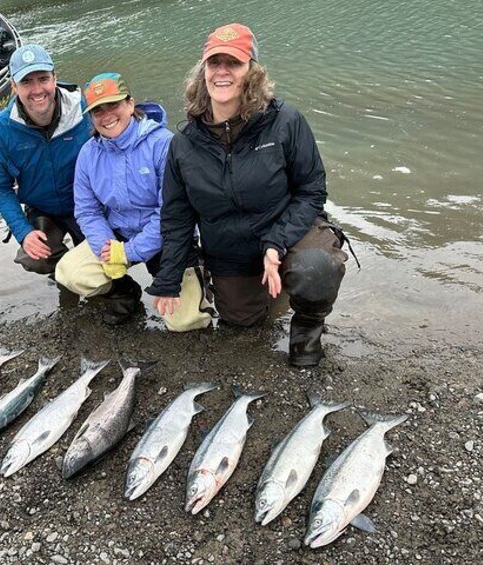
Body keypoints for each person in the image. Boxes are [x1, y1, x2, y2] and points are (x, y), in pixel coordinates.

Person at [147, 23, 353, 366]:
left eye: (234, 63)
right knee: (243, 320)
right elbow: (176, 216)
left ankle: (307, 324)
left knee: (314, 269)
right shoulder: (183, 144)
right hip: (229, 247)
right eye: (215, 63)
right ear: (203, 72)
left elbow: (312, 190)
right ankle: (275, 287)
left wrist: (276, 243)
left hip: (286, 227)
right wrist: (168, 276)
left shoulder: (286, 122)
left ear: (252, 72)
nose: (223, 72)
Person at [55, 72, 212, 329]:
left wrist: (129, 252)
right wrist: (108, 247)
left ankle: (201, 277)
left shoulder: (164, 144)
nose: (106, 116)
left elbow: (171, 213)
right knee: (69, 273)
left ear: (130, 103)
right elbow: (87, 211)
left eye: (113, 105)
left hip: (169, 237)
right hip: (118, 233)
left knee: (186, 323)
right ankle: (124, 292)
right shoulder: (87, 153)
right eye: (97, 111)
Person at [0, 44, 91, 275]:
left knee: (104, 259)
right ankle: (64, 271)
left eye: (43, 79)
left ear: (55, 78)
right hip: (43, 208)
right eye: (26, 82)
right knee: (34, 257)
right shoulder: (1, 129)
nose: (37, 89)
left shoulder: (83, 108)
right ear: (13, 87)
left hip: (88, 205)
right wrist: (23, 231)